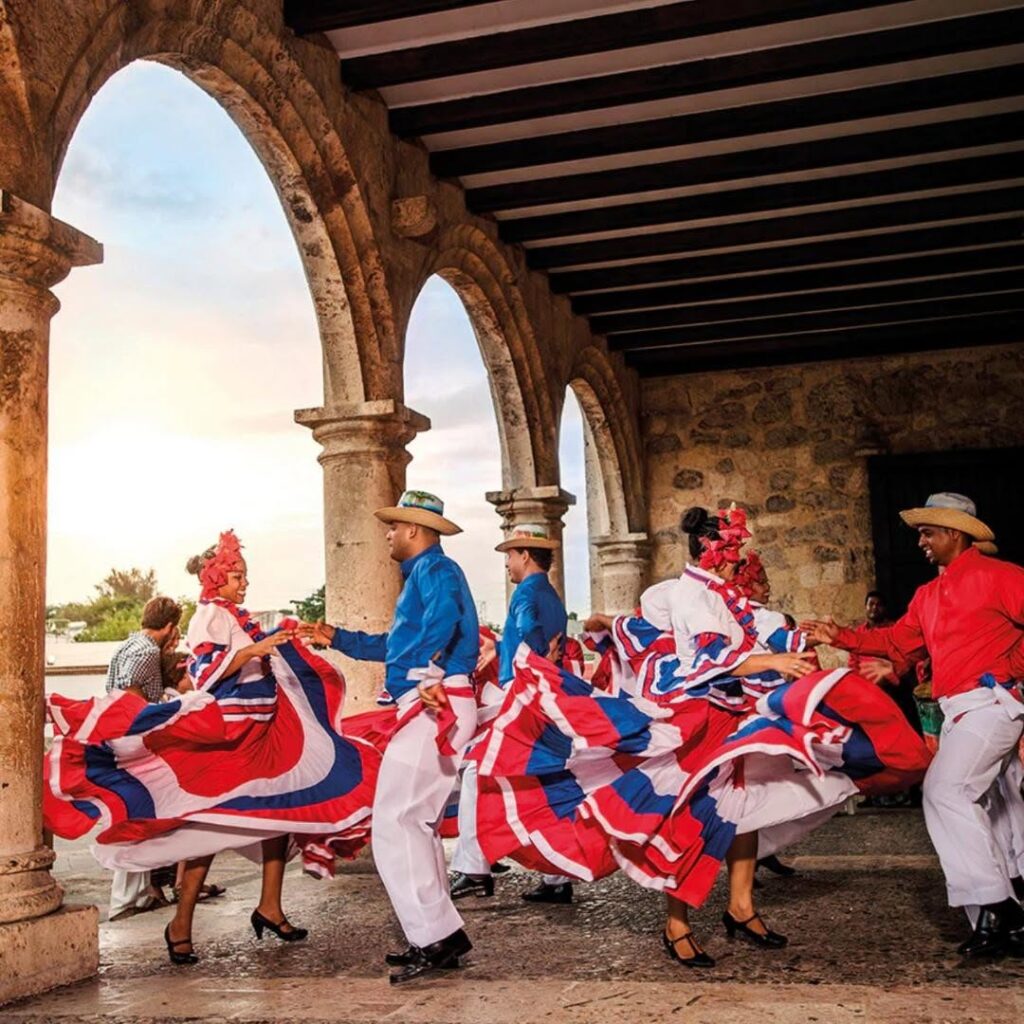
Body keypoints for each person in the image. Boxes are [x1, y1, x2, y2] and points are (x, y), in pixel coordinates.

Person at [472, 506, 929, 968]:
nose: (740, 560)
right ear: (715, 553)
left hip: (729, 715)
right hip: (696, 722)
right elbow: (711, 659)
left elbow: (753, 626)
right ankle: (677, 925)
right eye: (734, 551)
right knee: (688, 818)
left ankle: (741, 906)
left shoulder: (720, 594)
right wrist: (771, 663)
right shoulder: (694, 597)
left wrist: (803, 639)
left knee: (744, 807)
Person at [44, 531, 378, 965]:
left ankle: (269, 905)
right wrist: (255, 649)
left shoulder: (233, 614)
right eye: (237, 576)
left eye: (245, 576)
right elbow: (205, 672)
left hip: (263, 732)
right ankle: (181, 923)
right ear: (215, 579)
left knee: (280, 809)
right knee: (211, 821)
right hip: (232, 736)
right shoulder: (208, 617)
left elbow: (256, 659)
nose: (244, 584)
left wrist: (281, 640)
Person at [802, 492, 1024, 958]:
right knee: (994, 805)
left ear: (954, 533)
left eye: (927, 532)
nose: (919, 541)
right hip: (957, 711)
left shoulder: (1002, 577)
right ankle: (999, 920)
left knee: (946, 791)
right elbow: (895, 639)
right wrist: (838, 634)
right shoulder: (927, 595)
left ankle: (999, 906)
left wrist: (1014, 668)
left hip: (992, 705)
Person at [302, 490, 480, 984]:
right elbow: (395, 645)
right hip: (437, 700)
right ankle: (438, 935)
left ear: (414, 531)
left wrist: (427, 677)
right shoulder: (424, 576)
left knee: (395, 822)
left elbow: (442, 627)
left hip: (434, 702)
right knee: (413, 823)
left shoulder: (434, 572)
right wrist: (337, 638)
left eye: (394, 527)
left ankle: (435, 936)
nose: (387, 534)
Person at [450, 524, 573, 905]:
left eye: (510, 555)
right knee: (541, 780)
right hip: (540, 692)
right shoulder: (550, 594)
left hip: (522, 693)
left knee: (476, 768)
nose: (507, 563)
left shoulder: (525, 593)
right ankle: (556, 877)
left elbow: (531, 633)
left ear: (524, 555)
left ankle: (474, 868)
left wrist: (531, 657)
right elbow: (536, 638)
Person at [106, 597, 182, 921]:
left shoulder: (128, 643)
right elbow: (130, 689)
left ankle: (142, 893)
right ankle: (129, 898)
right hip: (133, 739)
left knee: (140, 813)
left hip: (117, 737)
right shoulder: (147, 650)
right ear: (169, 626)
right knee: (141, 815)